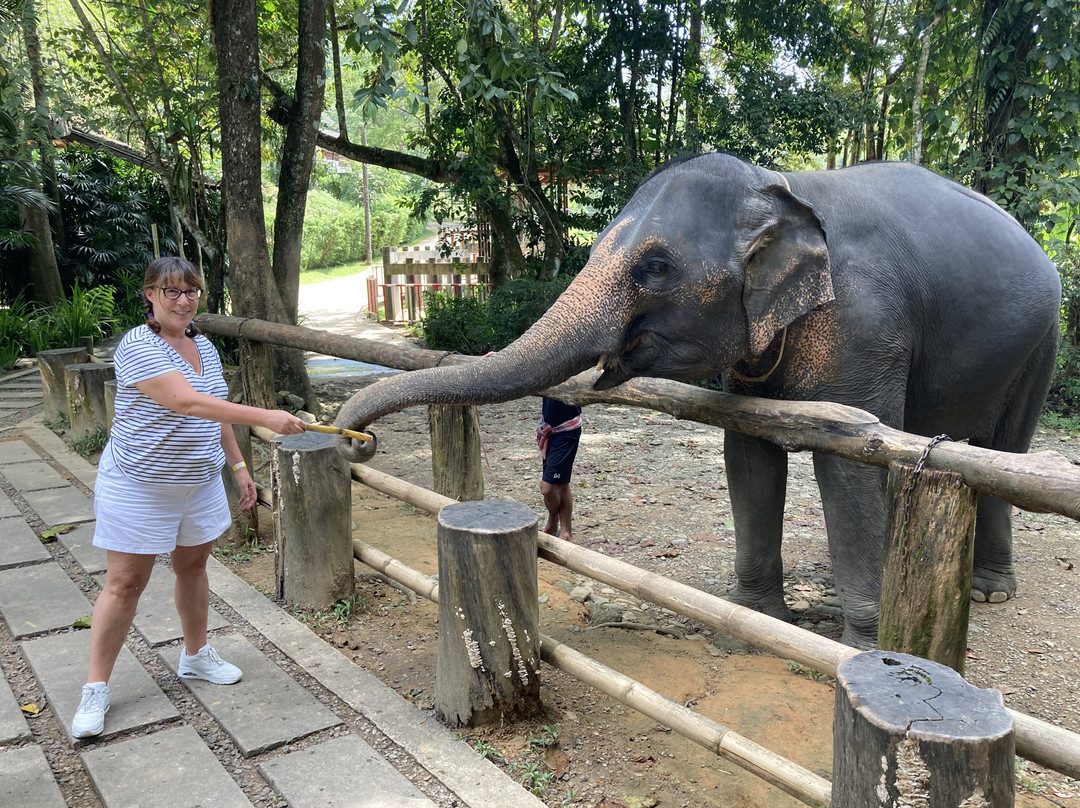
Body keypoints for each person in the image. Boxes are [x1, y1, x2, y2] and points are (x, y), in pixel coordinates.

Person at [70, 256, 308, 740]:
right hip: (140, 484)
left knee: (194, 567)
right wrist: (265, 414)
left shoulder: (202, 345)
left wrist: (238, 466)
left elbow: (214, 411)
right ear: (150, 296)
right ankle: (95, 687)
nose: (183, 300)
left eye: (191, 291)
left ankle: (196, 655)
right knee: (124, 584)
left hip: (197, 480)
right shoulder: (138, 345)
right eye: (171, 291)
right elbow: (185, 401)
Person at [536, 396, 582, 542]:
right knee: (560, 483)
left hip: (567, 430)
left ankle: (557, 523)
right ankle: (563, 529)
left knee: (547, 488)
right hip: (549, 428)